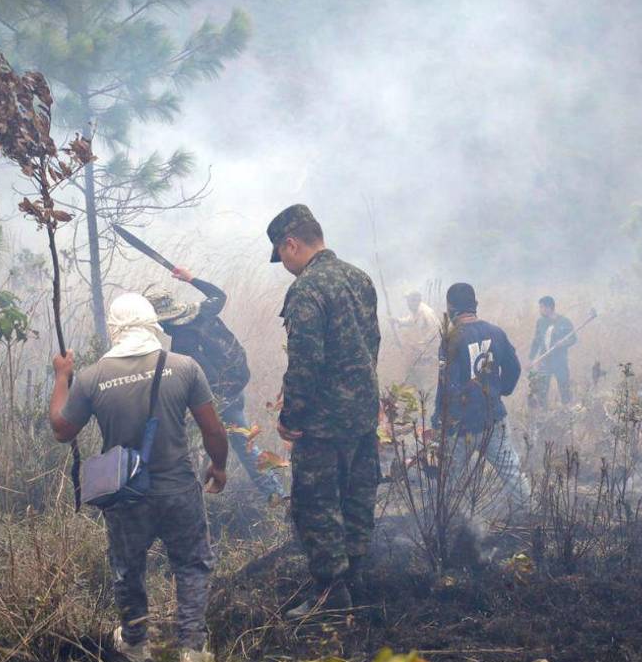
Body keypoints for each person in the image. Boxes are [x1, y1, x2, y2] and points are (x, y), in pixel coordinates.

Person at [49, 293, 229, 662]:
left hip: (126, 493)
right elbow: (212, 428)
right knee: (192, 565)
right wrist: (219, 466)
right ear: (152, 324)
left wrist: (61, 377)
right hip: (179, 488)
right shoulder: (183, 367)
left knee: (128, 567)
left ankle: (134, 644)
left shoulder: (92, 377)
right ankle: (193, 653)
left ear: (115, 330)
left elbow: (62, 429)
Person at [268, 204, 381, 616]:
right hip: (362, 418)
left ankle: (331, 596)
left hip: (322, 425)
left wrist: (291, 417)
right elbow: (373, 345)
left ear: (291, 245)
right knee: (356, 498)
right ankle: (355, 580)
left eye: (281, 255)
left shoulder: (307, 289)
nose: (283, 264)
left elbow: (306, 361)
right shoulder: (359, 278)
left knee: (317, 505)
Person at [145, 267, 284, 498]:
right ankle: (275, 494)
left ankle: (277, 496)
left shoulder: (182, 340)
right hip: (235, 387)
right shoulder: (201, 311)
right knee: (244, 444)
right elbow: (220, 295)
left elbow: (197, 377)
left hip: (221, 396)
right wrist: (191, 279)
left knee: (242, 447)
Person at [432, 282, 529, 509]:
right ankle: (529, 518)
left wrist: (439, 418)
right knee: (511, 472)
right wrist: (500, 391)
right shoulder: (496, 333)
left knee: (451, 480)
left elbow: (447, 385)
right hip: (493, 418)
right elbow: (514, 368)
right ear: (475, 305)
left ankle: (458, 524)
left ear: (451, 307)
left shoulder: (451, 340)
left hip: (460, 425)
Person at [528, 296, 577, 407]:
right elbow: (536, 341)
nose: (540, 310)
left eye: (541, 307)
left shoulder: (564, 322)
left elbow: (573, 338)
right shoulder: (540, 322)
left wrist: (563, 343)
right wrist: (531, 358)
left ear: (549, 308)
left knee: (564, 388)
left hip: (560, 362)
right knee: (542, 391)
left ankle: (567, 412)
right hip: (544, 361)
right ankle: (544, 414)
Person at [394, 290, 443, 391]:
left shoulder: (426, 312)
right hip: (426, 348)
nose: (408, 304)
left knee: (426, 374)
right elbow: (410, 320)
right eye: (407, 301)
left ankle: (425, 392)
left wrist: (421, 344)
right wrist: (397, 321)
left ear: (416, 301)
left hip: (433, 348)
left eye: (409, 301)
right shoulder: (416, 310)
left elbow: (435, 331)